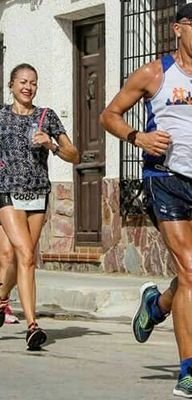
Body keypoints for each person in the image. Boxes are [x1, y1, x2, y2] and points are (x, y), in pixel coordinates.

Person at [100, 1, 192, 398]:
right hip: (164, 179)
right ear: (178, 30)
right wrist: (139, 138)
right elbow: (109, 115)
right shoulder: (154, 73)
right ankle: (189, 371)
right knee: (189, 270)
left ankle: (156, 306)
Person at [0, 63, 80, 350]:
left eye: (33, 82)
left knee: (20, 259)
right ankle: (32, 326)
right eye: (22, 81)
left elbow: (74, 154)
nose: (28, 87)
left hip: (37, 195)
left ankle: (1, 300)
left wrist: (51, 144)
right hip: (6, 193)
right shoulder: (0, 117)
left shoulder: (46, 117)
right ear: (11, 85)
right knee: (23, 254)